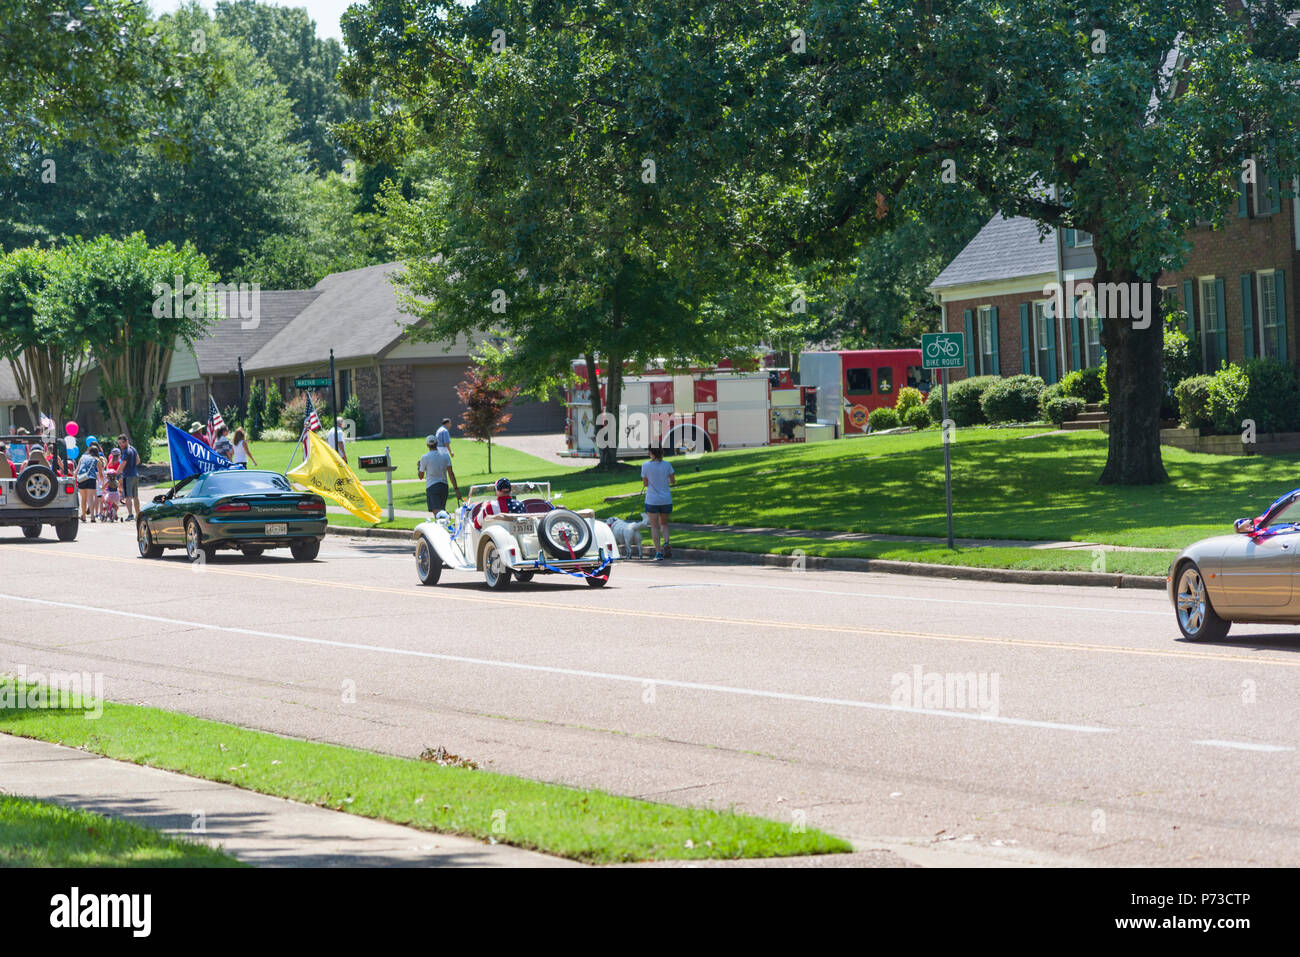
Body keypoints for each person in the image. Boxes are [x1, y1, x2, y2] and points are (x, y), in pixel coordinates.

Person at [641, 445, 676, 560]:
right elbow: (673, 481)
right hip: (666, 499)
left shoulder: (645, 466)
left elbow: (645, 484)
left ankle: (658, 552)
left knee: (654, 527)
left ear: (651, 452)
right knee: (664, 524)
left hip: (652, 500)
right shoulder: (667, 465)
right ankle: (666, 542)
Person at [417, 434, 459, 514]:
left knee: (437, 512)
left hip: (432, 486)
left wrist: (419, 467)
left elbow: (420, 476)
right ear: (437, 443)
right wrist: (456, 489)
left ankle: (440, 525)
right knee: (442, 510)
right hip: (444, 486)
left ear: (427, 445)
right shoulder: (446, 456)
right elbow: (451, 474)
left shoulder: (424, 457)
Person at [74, 442, 104, 522]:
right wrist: (103, 483)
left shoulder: (83, 457)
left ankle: (83, 515)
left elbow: (76, 470)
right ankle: (92, 517)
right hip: (91, 478)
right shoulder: (97, 459)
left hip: (81, 478)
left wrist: (74, 478)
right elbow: (101, 474)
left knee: (83, 499)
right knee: (90, 498)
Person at [116, 434, 140, 520]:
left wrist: (116, 473)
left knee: (128, 496)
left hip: (128, 476)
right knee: (135, 496)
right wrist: (132, 466)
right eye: (119, 443)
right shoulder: (133, 449)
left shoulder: (126, 452)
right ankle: (138, 514)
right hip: (135, 474)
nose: (120, 445)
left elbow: (122, 464)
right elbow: (138, 460)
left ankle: (130, 515)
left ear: (126, 441)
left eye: (122, 443)